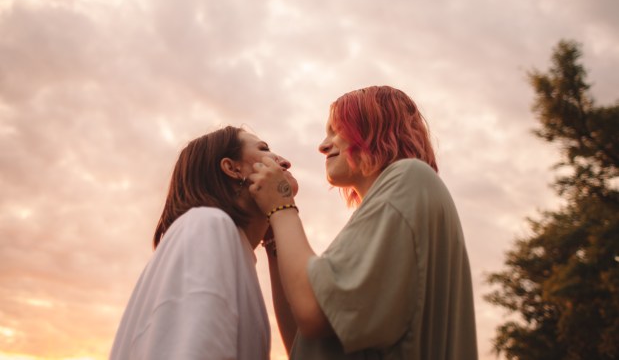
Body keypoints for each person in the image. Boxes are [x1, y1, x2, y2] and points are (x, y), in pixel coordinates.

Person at [249, 86, 478, 360]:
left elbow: (314, 312)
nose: (322, 146)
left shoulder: (409, 178)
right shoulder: (396, 201)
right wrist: (275, 238)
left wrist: (282, 205)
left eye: (336, 130)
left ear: (374, 129)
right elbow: (303, 338)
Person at [109, 126, 297, 360]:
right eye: (264, 149)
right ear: (232, 168)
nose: (285, 161)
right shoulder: (208, 225)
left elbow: (305, 348)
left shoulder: (229, 244)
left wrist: (277, 228)